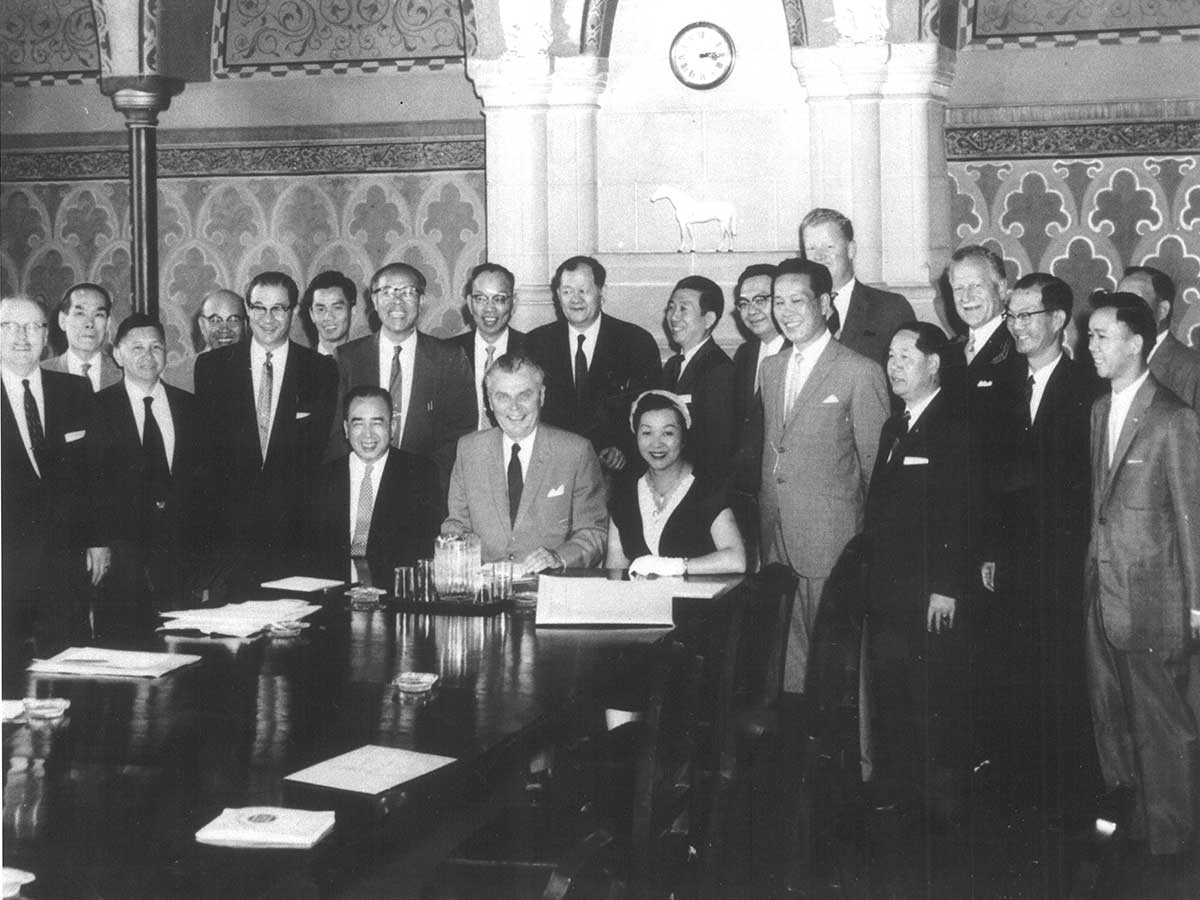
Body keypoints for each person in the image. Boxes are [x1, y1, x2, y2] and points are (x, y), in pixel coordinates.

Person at [1084, 291, 1200, 863]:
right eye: (1090, 336)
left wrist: (1197, 606)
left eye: (1103, 336)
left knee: (1162, 725)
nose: (1092, 346)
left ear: (1137, 342)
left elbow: (1190, 516)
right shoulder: (1099, 411)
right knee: (1112, 717)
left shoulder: (1173, 417)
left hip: (1155, 598)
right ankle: (1132, 828)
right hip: (1102, 594)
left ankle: (1173, 846)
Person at [992, 273, 1100, 811]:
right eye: (1011, 316)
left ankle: (1067, 797)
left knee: (1063, 674)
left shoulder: (1089, 389)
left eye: (1027, 316)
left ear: (1058, 320)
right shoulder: (1001, 383)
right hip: (1010, 559)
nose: (1016, 327)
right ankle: (1019, 791)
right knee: (1012, 671)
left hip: (1063, 558)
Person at [759, 257, 889, 694]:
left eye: (798, 300)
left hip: (834, 546)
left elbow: (877, 473)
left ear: (826, 304)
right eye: (779, 301)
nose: (786, 311)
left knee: (835, 674)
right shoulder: (771, 369)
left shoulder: (861, 372)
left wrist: (868, 553)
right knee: (785, 672)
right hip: (777, 540)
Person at [864, 322, 974, 822]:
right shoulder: (894, 424)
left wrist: (947, 588)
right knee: (893, 690)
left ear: (934, 364)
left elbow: (963, 513)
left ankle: (940, 807)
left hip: (931, 592)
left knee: (932, 694)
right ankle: (901, 795)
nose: (893, 366)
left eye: (905, 357)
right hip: (889, 591)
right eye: (890, 356)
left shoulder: (956, 423)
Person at [194, 271, 338, 586]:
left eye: (278, 309)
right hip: (229, 538)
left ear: (295, 312)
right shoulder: (213, 367)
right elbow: (205, 458)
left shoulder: (321, 370)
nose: (268, 318)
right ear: (247, 310)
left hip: (295, 536)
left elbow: (321, 457)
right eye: (259, 308)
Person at [2, 296, 109, 687]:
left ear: (47, 334)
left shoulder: (74, 391)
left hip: (65, 567)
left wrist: (99, 541)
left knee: (72, 678)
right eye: (10, 326)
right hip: (6, 568)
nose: (22, 336)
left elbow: (95, 475)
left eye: (32, 327)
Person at [442, 352, 607, 575]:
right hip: (485, 590)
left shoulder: (575, 451)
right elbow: (456, 525)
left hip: (550, 588)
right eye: (502, 397)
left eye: (524, 395)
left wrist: (558, 557)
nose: (514, 408)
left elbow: (594, 533)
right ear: (489, 401)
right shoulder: (469, 450)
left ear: (542, 395)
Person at [87, 313, 201, 634]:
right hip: (122, 558)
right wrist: (97, 543)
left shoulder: (190, 407)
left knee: (183, 651)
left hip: (180, 556)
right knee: (123, 650)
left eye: (156, 347)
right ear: (118, 354)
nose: (147, 356)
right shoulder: (96, 408)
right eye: (136, 348)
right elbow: (89, 484)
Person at [330, 263, 475, 486]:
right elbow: (336, 432)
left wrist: (419, 478)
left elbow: (460, 432)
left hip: (424, 487)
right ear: (374, 301)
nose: (397, 301)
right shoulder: (348, 358)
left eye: (408, 292)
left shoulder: (449, 358)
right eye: (387, 292)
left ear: (422, 301)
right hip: (360, 482)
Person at [526, 256, 661, 473]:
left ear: (602, 292)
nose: (575, 299)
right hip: (553, 468)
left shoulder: (635, 342)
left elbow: (649, 410)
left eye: (583, 291)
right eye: (568, 291)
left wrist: (622, 447)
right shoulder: (535, 343)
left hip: (615, 472)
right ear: (558, 295)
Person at [308, 386, 440, 586]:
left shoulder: (420, 474)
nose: (367, 435)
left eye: (377, 423)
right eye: (358, 424)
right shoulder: (322, 478)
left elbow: (422, 549)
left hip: (392, 591)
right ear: (345, 429)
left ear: (392, 427)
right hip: (334, 591)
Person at [606, 390, 745, 576]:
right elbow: (615, 570)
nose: (657, 444)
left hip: (698, 603)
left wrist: (675, 567)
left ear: (683, 437)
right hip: (641, 604)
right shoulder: (624, 494)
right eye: (647, 433)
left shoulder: (708, 488)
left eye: (668, 433)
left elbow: (736, 560)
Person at [799, 208, 914, 367]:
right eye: (811, 248)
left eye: (829, 247)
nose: (819, 256)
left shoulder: (890, 308)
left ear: (851, 250)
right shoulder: (797, 309)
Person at [730, 264, 786, 568]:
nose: (751, 310)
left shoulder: (797, 354)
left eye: (760, 300)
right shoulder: (745, 354)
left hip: (783, 499)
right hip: (746, 495)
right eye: (743, 303)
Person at [660, 275, 735, 480]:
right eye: (671, 307)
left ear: (708, 319)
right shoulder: (672, 366)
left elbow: (717, 449)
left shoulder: (720, 370)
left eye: (683, 309)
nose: (673, 317)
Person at [451, 262, 526, 430]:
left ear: (513, 303)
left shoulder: (532, 349)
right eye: (480, 299)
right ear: (470, 303)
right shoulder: (448, 352)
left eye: (499, 299)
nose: (489, 308)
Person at [1117, 264, 1200, 411]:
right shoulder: (1111, 359)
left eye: (1133, 302)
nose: (1121, 312)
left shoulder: (1191, 368)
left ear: (1162, 310)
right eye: (1118, 301)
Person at [42, 283, 121, 391]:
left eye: (98, 315)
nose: (89, 323)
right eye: (80, 313)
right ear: (62, 320)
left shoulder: (124, 373)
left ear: (107, 323)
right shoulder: (41, 372)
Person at [165, 289, 247, 392]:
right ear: (202, 325)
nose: (225, 329)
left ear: (244, 325)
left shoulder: (255, 370)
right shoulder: (175, 375)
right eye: (215, 320)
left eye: (234, 320)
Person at [301, 270, 357, 357]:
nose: (328, 317)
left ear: (352, 310)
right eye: (320, 309)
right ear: (312, 315)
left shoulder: (368, 361)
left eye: (337, 308)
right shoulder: (300, 363)